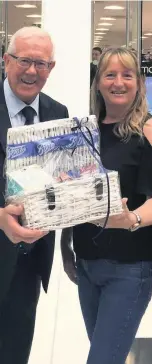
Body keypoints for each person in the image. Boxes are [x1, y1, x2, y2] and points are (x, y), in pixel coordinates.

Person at [61, 47, 152, 364]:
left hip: (130, 267)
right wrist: (67, 247)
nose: (118, 82)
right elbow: (73, 195)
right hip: (87, 264)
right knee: (106, 353)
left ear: (139, 82)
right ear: (97, 82)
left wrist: (132, 218)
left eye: (127, 74)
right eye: (110, 74)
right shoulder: (85, 131)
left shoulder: (148, 130)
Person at [0, 26, 69, 364]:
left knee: (15, 350)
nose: (31, 71)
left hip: (28, 261)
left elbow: (62, 182)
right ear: (5, 60)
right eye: (23, 61)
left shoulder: (58, 113)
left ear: (51, 68)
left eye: (40, 64)